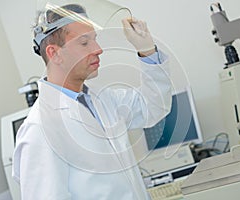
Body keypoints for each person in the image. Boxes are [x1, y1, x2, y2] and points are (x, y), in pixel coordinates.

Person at [12, 3, 172, 200]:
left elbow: (154, 107)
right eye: (84, 43)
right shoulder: (41, 129)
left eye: (94, 40)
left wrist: (147, 51)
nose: (98, 49)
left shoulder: (102, 99)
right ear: (55, 54)